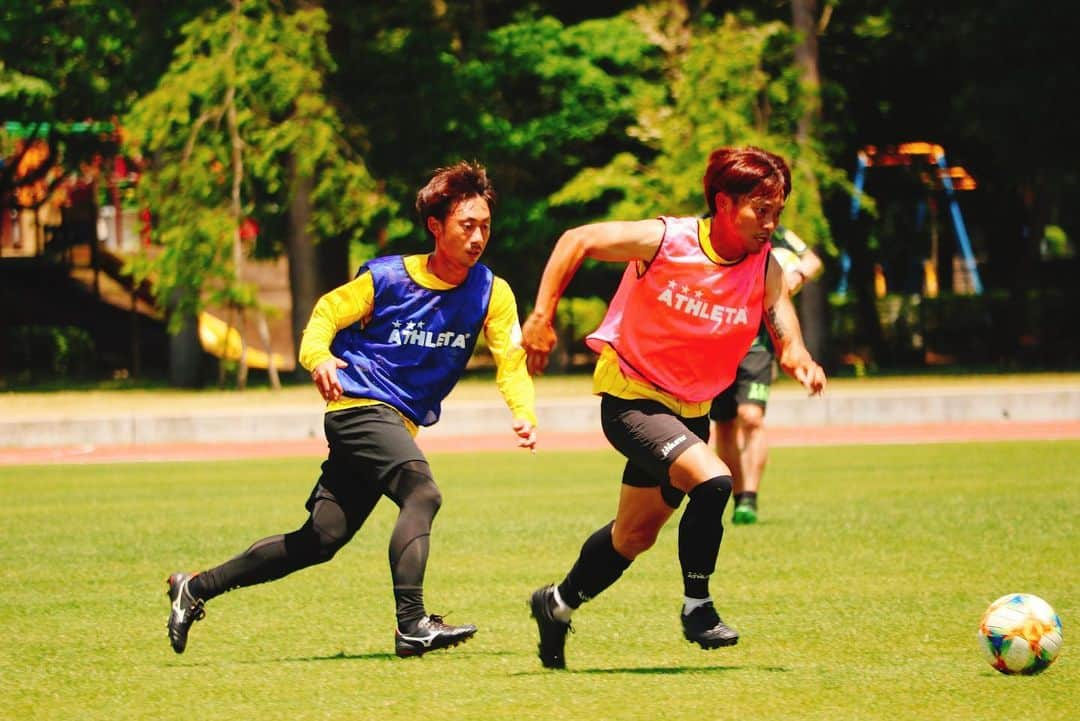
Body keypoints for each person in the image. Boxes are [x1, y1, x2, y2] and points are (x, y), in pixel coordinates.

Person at [165, 161, 538, 658]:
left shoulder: (492, 292)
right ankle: (412, 625)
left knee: (321, 540)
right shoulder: (386, 279)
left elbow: (510, 360)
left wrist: (523, 410)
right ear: (436, 225)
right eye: (466, 225)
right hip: (359, 405)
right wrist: (318, 357)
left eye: (485, 227)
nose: (477, 237)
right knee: (422, 493)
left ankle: (194, 588)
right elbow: (324, 315)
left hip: (393, 422)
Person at [521, 146, 826, 669]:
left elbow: (781, 318)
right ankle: (697, 606)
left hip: (689, 410)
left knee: (633, 537)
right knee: (714, 481)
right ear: (724, 203)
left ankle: (556, 604)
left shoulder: (764, 264)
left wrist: (798, 356)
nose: (770, 223)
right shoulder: (667, 240)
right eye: (761, 210)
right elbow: (578, 240)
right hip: (633, 400)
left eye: (777, 211)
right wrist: (541, 315)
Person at [711, 226, 823, 524]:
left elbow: (812, 261)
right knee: (723, 424)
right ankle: (735, 498)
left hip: (757, 344)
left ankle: (749, 497)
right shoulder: (702, 228)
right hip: (715, 345)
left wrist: (792, 277)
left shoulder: (770, 232)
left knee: (751, 416)